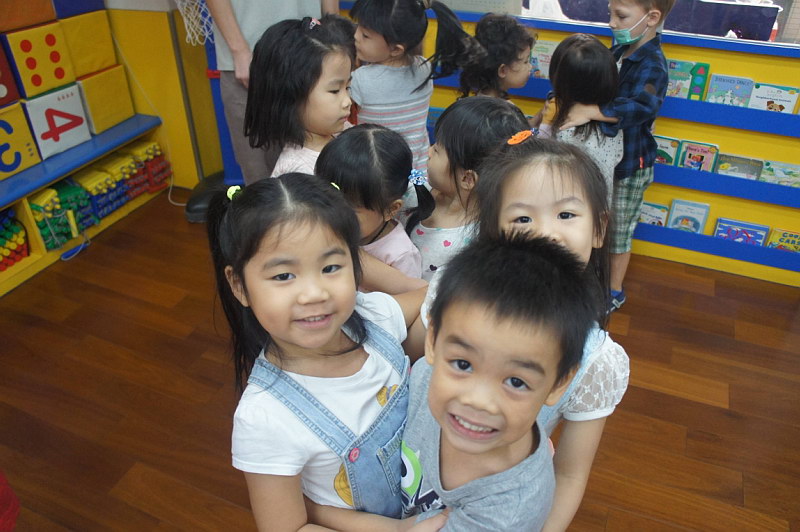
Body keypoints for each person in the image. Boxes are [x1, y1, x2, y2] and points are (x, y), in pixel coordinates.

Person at [205, 174, 430, 530]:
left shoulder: (371, 316)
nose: (314, 294)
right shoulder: (265, 417)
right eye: (283, 276)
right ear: (239, 286)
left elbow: (431, 298)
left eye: (330, 267)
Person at [472, 135, 630, 531]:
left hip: (504, 501)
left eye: (566, 214)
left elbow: (571, 474)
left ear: (599, 228)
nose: (546, 234)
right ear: (493, 232)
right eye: (522, 219)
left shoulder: (596, 361)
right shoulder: (456, 303)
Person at [559, 0, 675, 312]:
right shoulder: (619, 49)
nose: (611, 22)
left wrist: (594, 111)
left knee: (620, 230)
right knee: (596, 221)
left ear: (652, 18)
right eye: (610, 13)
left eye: (620, 16)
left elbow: (643, 106)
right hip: (604, 158)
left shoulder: (653, 64)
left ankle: (614, 291)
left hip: (630, 166)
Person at [206, 0, 339, 184]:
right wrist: (239, 51)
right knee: (258, 173)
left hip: (312, 54)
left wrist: (336, 35)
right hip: (249, 60)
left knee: (323, 167)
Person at [348, 0, 483, 175]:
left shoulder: (360, 79)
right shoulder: (424, 68)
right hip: (420, 171)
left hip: (379, 173)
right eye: (357, 27)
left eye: (365, 35)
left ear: (396, 49)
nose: (356, 36)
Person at [407, 96, 529, 280]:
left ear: (467, 178)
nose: (429, 151)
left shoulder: (472, 245)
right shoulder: (416, 189)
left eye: (437, 149)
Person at [316, 124, 432, 279]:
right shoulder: (327, 228)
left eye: (349, 209)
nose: (333, 214)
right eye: (328, 200)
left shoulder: (401, 256)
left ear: (390, 209)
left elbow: (413, 294)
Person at [244, 17, 354, 179]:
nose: (347, 101)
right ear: (290, 95)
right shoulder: (298, 173)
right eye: (334, 90)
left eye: (347, 88)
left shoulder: (344, 132)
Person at [536, 34, 623, 205]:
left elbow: (543, 164)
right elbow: (618, 156)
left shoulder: (565, 128)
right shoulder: (614, 125)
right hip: (599, 207)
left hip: (566, 207)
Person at [459, 13, 536, 100]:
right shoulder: (495, 107)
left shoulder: (482, 100)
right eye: (525, 62)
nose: (530, 67)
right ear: (502, 70)